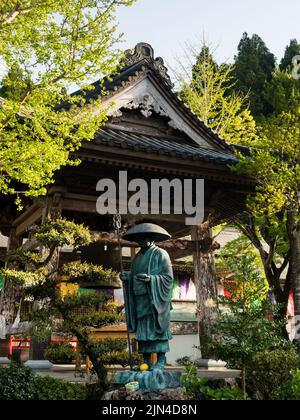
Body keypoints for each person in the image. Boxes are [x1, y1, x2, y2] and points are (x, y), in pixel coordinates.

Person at [120, 223, 173, 370]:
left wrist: (151, 279)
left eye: (145, 238)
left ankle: (161, 360)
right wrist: (128, 278)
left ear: (152, 238)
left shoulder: (161, 254)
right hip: (141, 299)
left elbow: (168, 278)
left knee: (157, 329)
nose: (142, 241)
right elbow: (134, 276)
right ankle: (146, 361)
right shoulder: (137, 258)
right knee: (143, 331)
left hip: (155, 299)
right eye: (140, 239)